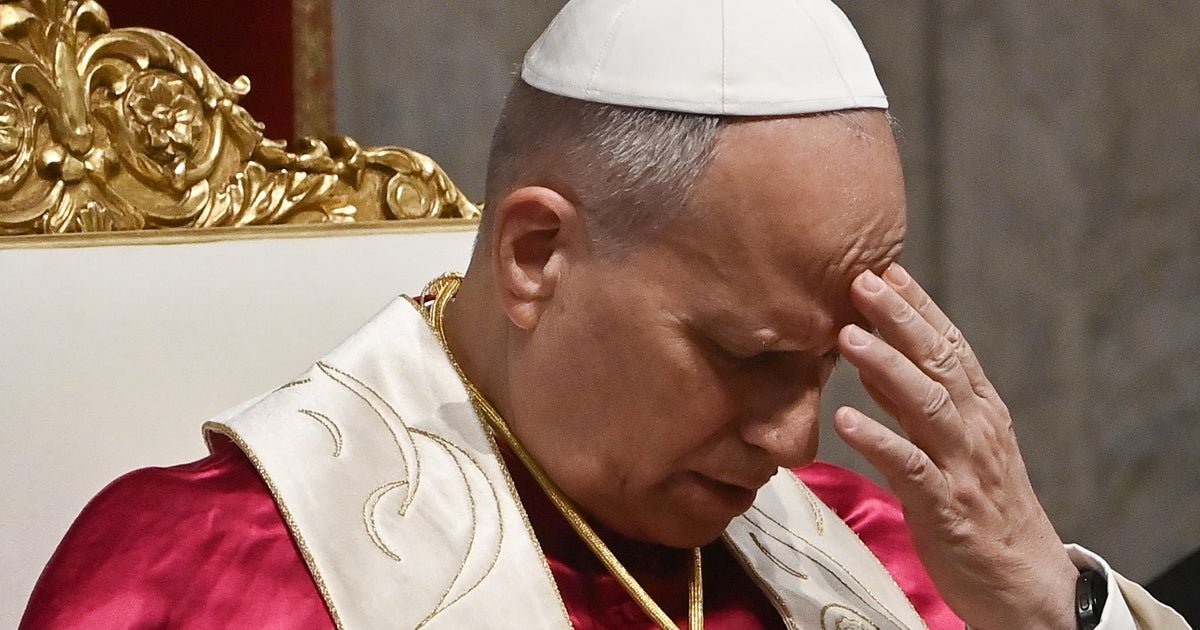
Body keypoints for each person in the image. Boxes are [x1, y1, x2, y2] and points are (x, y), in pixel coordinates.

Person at [21, 0, 1189, 628]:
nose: (794, 443)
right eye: (749, 356)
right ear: (536, 255)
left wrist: (1057, 606)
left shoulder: (875, 550)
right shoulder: (207, 578)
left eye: (826, 366)